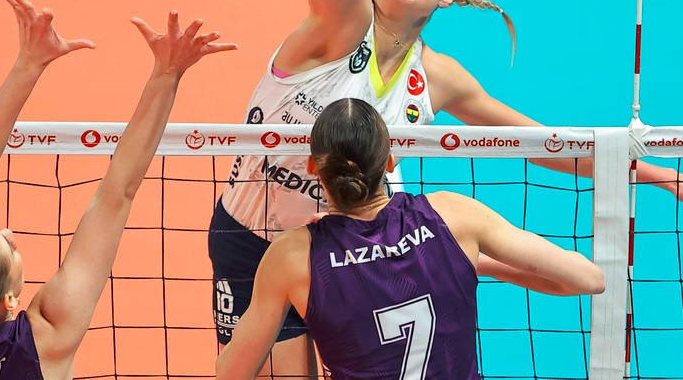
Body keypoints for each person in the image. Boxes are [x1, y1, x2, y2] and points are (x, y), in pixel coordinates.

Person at [209, 0, 683, 377]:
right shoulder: (338, 23)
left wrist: (669, 178)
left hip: (354, 251)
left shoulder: (439, 78)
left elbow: (541, 144)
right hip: (255, 242)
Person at [0, 0, 236, 380]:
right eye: (7, 247)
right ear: (9, 300)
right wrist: (167, 73)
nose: (10, 234)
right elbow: (114, 196)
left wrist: (28, 65)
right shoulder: (43, 341)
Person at [215, 97, 606, 379]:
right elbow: (588, 280)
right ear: (388, 161)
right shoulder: (453, 216)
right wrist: (478, 263)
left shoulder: (292, 256)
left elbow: (233, 372)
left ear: (313, 167)